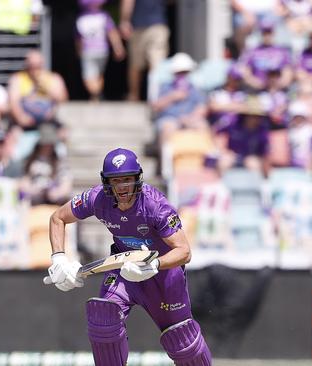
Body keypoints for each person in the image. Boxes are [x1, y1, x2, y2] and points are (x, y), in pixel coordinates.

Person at [43, 148, 212, 365]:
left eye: (127, 180)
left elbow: (184, 251)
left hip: (164, 278)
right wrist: (58, 259)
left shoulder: (155, 206)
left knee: (183, 343)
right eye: (116, 180)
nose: (122, 186)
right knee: (104, 319)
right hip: (124, 271)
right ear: (106, 183)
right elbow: (58, 218)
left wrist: (155, 264)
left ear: (137, 179)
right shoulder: (97, 198)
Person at [76, 0, 126, 101]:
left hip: (94, 51)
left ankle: (95, 94)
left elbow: (111, 33)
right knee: (95, 75)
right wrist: (118, 47)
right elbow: (112, 33)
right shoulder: (103, 16)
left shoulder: (83, 18)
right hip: (96, 51)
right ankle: (96, 94)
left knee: (91, 75)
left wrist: (118, 47)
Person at [120, 0, 170, 101]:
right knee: (156, 63)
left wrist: (124, 21)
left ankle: (134, 95)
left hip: (140, 24)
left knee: (136, 64)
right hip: (156, 24)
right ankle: (155, 96)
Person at [8, 50, 68, 131]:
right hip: (24, 121)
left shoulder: (53, 78)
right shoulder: (18, 78)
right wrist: (21, 117)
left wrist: (46, 87)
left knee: (56, 133)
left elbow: (62, 99)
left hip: (47, 121)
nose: (35, 69)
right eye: (32, 66)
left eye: (38, 66)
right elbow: (13, 102)